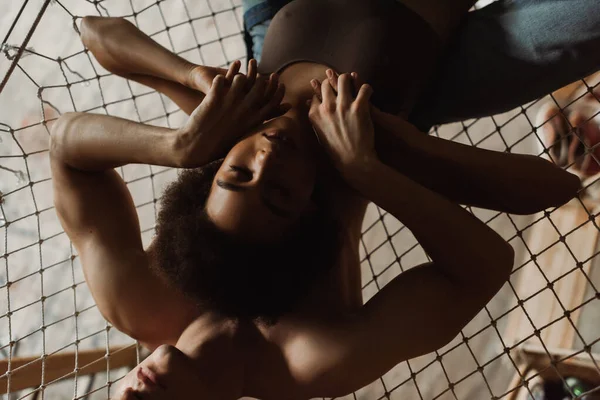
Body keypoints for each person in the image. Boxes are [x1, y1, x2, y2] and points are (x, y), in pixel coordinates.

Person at [49, 0, 587, 398]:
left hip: (285, 32)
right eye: (279, 194)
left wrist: (182, 141)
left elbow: (80, 90)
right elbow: (501, 247)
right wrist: (374, 168)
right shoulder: (312, 359)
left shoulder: (138, 295)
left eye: (233, 174)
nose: (135, 399)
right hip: (404, 74)